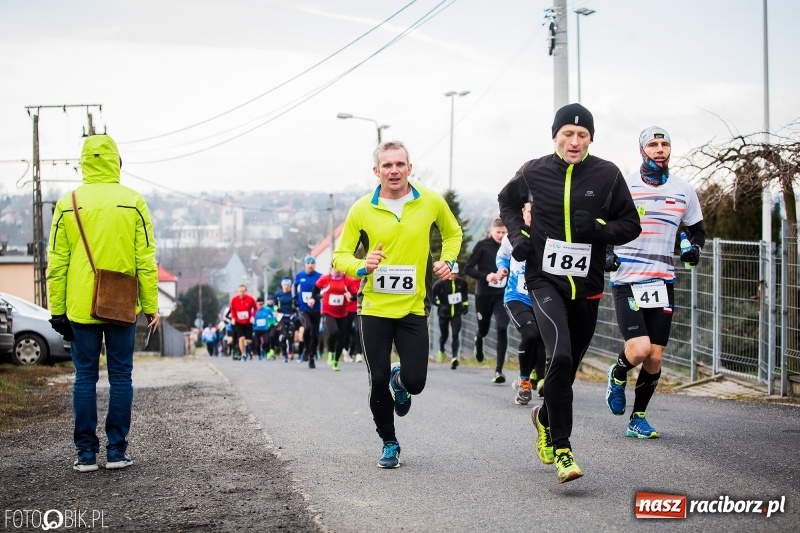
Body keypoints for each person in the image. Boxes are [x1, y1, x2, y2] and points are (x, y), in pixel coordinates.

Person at [497, 103, 641, 483]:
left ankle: (544, 419)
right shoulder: (534, 171)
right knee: (557, 355)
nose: (574, 142)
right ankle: (563, 449)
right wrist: (519, 236)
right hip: (544, 280)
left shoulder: (608, 174)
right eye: (568, 134)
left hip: (589, 287)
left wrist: (598, 229)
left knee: (566, 370)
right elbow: (507, 202)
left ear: (590, 139)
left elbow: (630, 224)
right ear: (555, 136)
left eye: (582, 136)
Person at [332, 140, 462, 469]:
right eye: (387, 165)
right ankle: (389, 442)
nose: (394, 170)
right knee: (376, 378)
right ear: (376, 171)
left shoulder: (430, 202)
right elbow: (340, 256)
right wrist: (363, 265)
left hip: (413, 307)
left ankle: (400, 381)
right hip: (374, 308)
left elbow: (453, 233)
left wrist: (448, 260)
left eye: (399, 164)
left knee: (416, 381)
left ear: (409, 168)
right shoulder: (362, 209)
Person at [46, 134, 160, 472]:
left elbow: (57, 263)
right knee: (121, 377)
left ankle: (84, 455)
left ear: (84, 163)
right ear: (116, 161)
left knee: (84, 378)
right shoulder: (133, 201)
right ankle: (116, 451)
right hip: (122, 304)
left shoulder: (68, 203)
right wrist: (151, 306)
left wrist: (56, 310)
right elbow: (146, 260)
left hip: (81, 305)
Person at [605, 126, 705, 438]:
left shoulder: (683, 189)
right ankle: (618, 373)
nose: (660, 148)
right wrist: (607, 251)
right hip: (628, 279)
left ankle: (638, 418)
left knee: (655, 356)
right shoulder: (626, 186)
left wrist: (693, 247)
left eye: (664, 143)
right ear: (642, 149)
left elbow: (696, 229)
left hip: (662, 280)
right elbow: (601, 223)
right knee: (638, 350)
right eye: (653, 143)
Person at [490, 202, 546, 405]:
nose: (534, 215)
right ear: (523, 213)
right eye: (531, 211)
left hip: (542, 297)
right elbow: (502, 256)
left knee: (543, 340)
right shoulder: (512, 235)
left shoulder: (550, 233)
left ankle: (541, 378)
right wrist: (502, 268)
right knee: (530, 333)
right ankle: (524, 381)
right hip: (517, 296)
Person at [465, 218, 510, 383]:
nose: (500, 235)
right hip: (483, 295)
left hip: (502, 295)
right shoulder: (482, 246)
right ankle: (479, 339)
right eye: (498, 232)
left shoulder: (510, 247)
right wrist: (486, 276)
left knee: (502, 327)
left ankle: (498, 370)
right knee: (483, 330)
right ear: (492, 231)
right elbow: (467, 268)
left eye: (504, 232)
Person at [311, 266, 350, 371]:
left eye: (340, 267)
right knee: (333, 332)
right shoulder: (326, 278)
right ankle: (331, 354)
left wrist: (351, 296)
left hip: (343, 313)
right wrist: (313, 298)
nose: (338, 270)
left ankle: (336, 360)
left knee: (341, 338)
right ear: (332, 267)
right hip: (328, 312)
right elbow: (315, 289)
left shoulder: (347, 279)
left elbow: (355, 294)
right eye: (336, 267)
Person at [431, 263, 469, 369]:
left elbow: (465, 294)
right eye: (452, 274)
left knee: (455, 334)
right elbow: (432, 295)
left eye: (456, 274)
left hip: (456, 313)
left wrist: (465, 306)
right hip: (444, 313)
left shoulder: (462, 283)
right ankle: (442, 348)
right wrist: (439, 303)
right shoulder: (440, 283)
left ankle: (454, 357)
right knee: (444, 335)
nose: (454, 276)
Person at [294, 256, 322, 368]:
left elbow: (323, 292)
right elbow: (294, 287)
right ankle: (306, 347)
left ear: (314, 265)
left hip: (315, 309)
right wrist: (294, 299)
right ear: (305, 264)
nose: (310, 265)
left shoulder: (319, 276)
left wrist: (315, 298)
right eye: (308, 263)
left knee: (315, 335)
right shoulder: (300, 275)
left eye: (312, 263)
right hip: (303, 308)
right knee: (307, 328)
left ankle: (312, 356)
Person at [229, 284, 256, 361]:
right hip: (238, 322)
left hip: (248, 322)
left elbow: (255, 308)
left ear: (246, 291)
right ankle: (243, 354)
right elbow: (232, 310)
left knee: (248, 341)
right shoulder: (234, 300)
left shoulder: (250, 299)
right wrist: (233, 318)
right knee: (241, 338)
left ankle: (247, 346)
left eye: (243, 291)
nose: (242, 293)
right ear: (238, 292)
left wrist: (252, 316)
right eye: (240, 291)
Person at [274, 278, 296, 361]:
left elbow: (296, 304)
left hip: (291, 316)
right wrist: (276, 314)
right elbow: (275, 305)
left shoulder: (293, 294)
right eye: (284, 285)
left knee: (290, 335)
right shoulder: (278, 294)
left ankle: (290, 351)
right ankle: (284, 354)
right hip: (282, 317)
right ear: (282, 285)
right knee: (283, 336)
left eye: (288, 285)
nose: (286, 287)